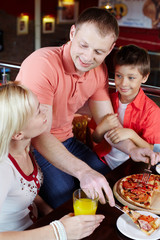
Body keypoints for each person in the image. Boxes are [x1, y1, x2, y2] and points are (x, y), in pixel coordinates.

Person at [16, 7, 158, 209]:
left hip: (68, 140)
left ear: (110, 49)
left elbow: (106, 122)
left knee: (109, 184)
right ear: (72, 33)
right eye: (83, 45)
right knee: (67, 200)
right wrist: (83, 172)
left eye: (99, 51)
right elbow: (39, 134)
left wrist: (132, 149)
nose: (88, 57)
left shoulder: (99, 70)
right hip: (34, 146)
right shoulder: (42, 64)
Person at [0, 83, 105, 240]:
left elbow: (21, 191)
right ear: (17, 134)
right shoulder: (3, 168)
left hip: (36, 224)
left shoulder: (24, 146)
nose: (44, 111)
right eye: (37, 112)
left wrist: (46, 209)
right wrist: (57, 231)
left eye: (39, 105)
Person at [91, 44, 160, 170]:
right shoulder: (106, 101)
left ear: (144, 77)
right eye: (119, 76)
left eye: (131, 78)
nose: (123, 83)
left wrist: (131, 134)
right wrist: (101, 128)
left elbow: (151, 149)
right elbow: (94, 137)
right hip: (102, 160)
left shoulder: (152, 111)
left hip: (131, 166)